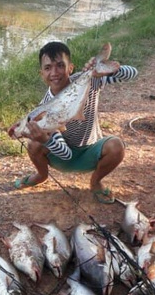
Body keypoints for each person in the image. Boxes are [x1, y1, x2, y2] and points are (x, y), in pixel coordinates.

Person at [7, 41, 137, 204]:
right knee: (33, 143)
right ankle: (42, 175)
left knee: (117, 145)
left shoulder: (89, 80)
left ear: (71, 68)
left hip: (92, 150)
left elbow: (133, 73)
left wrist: (109, 70)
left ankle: (95, 181)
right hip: (64, 159)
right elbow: (66, 155)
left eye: (60, 65)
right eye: (48, 68)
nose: (54, 72)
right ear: (42, 73)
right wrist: (45, 140)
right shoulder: (44, 107)